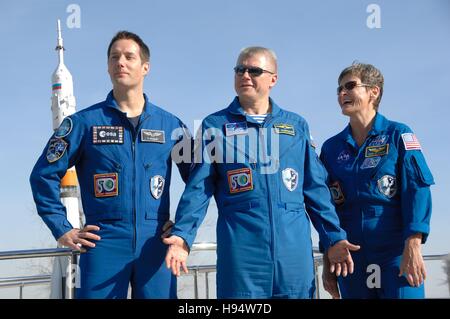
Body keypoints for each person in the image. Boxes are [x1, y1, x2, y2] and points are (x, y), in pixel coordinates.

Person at [163, 47, 360, 298]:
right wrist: (182, 236)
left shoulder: (295, 125)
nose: (245, 75)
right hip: (242, 257)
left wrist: (333, 237)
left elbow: (316, 190)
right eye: (239, 70)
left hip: (293, 256)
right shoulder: (215, 126)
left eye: (254, 70)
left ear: (273, 79)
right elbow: (198, 189)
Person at [29, 31, 191, 298]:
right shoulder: (83, 123)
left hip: (156, 243)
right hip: (103, 243)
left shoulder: (171, 126)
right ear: (107, 67)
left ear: (145, 67)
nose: (121, 62)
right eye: (114, 57)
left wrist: (183, 229)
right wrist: (62, 228)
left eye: (129, 57)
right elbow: (42, 175)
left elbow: (200, 179)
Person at [320, 62, 434, 299]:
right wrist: (328, 253)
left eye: (350, 86)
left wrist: (413, 243)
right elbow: (325, 206)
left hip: (395, 254)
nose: (342, 94)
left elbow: (417, 189)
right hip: (351, 259)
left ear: (374, 91)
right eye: (339, 89)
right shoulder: (331, 149)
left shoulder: (399, 134)